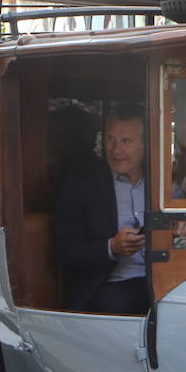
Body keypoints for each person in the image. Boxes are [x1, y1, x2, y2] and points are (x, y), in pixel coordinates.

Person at [55, 103, 152, 315]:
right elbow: (64, 252)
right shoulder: (81, 184)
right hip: (107, 288)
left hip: (161, 282)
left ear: (145, 145)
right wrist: (111, 247)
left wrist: (184, 229)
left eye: (126, 141)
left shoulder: (161, 185)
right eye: (110, 139)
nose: (116, 150)